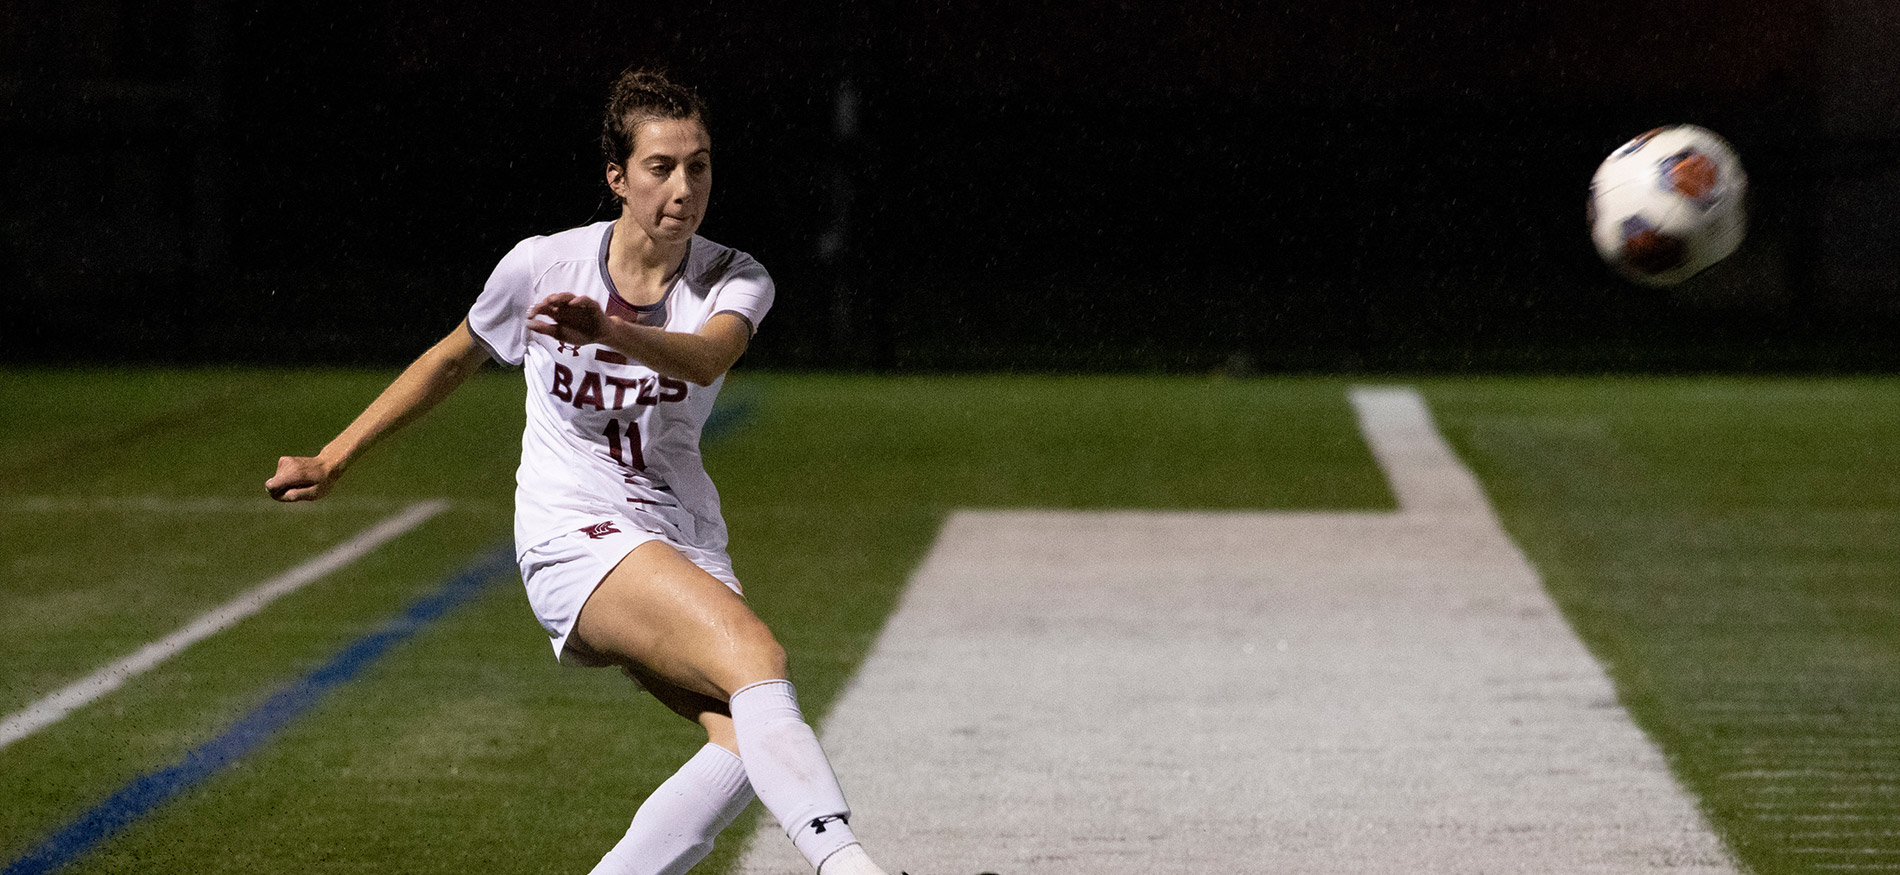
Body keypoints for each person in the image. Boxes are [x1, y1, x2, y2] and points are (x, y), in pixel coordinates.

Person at [267, 69, 892, 875]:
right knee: (758, 658)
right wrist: (332, 456)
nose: (683, 187)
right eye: (661, 167)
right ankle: (851, 865)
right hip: (573, 531)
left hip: (679, 532)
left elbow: (705, 359)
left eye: (698, 165)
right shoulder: (542, 263)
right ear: (617, 178)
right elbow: (454, 358)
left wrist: (609, 329)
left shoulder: (737, 275)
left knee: (750, 742)